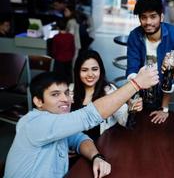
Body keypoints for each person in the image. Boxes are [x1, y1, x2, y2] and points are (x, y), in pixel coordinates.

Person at [4, 65, 159, 178]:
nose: (65, 99)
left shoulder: (58, 122)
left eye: (66, 93)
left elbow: (79, 138)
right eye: (55, 95)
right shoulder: (36, 123)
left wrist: (96, 157)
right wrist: (136, 84)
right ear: (38, 101)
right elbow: (88, 116)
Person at [126, 0, 174, 124]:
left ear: (162, 17)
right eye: (143, 17)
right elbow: (132, 70)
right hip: (139, 90)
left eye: (153, 16)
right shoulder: (134, 36)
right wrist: (134, 99)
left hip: (162, 92)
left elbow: (171, 74)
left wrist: (164, 109)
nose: (148, 22)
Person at [72, 50, 143, 140]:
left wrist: (131, 108)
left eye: (95, 69)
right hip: (73, 149)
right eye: (84, 70)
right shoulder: (69, 92)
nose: (90, 74)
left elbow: (124, 121)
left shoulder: (109, 91)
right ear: (77, 72)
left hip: (101, 148)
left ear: (101, 70)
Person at [52, 19, 75, 83]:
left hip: (59, 59)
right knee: (68, 75)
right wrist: (71, 56)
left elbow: (54, 50)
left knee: (58, 77)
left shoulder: (56, 37)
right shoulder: (71, 36)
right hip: (68, 59)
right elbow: (73, 48)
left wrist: (54, 56)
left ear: (57, 27)